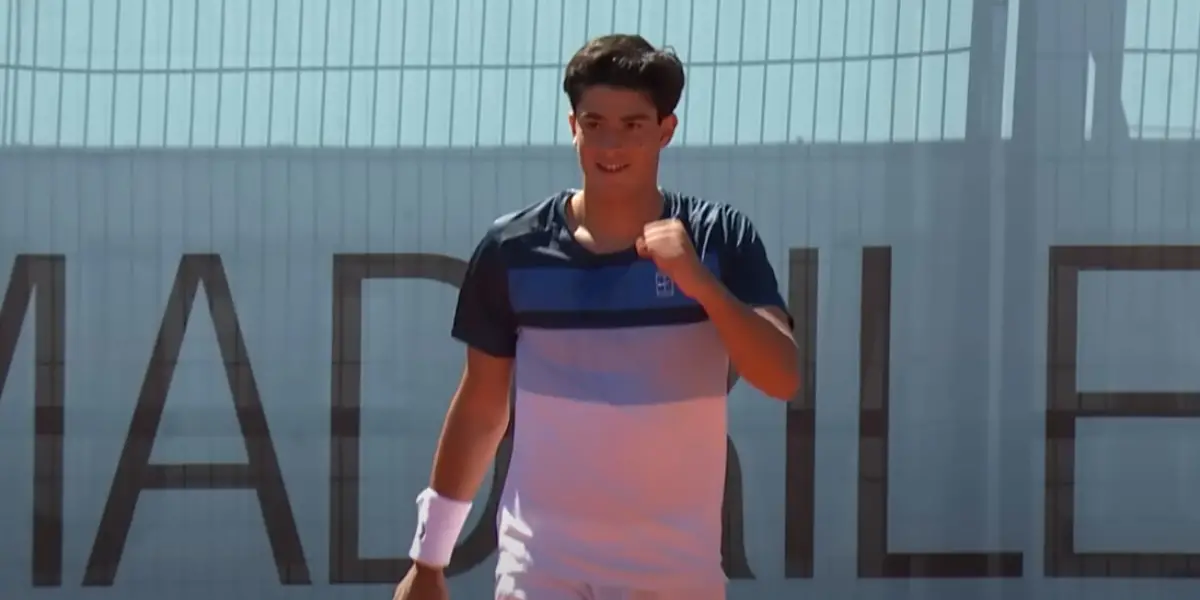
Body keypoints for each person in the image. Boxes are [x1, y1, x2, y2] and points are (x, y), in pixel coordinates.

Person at [393, 33, 800, 600]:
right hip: (539, 568)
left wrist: (699, 283)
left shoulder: (720, 237)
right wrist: (429, 559)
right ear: (573, 126)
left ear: (666, 130)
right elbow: (482, 406)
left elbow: (782, 376)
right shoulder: (512, 248)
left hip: (675, 573)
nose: (611, 143)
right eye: (595, 123)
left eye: (633, 125)